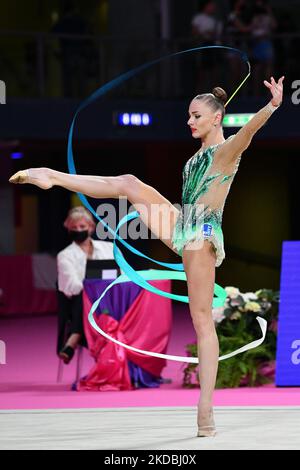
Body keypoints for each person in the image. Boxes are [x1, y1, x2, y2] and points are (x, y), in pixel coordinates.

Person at [8, 75, 284, 436]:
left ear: (215, 118)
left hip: (202, 234)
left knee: (201, 320)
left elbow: (247, 132)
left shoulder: (225, 151)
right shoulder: (195, 158)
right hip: (183, 223)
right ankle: (51, 176)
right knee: (128, 182)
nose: (189, 121)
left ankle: (206, 410)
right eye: (189, 115)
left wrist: (273, 105)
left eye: (196, 116)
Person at [57, 206, 115, 364]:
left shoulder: (109, 248)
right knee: (86, 298)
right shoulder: (64, 256)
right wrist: (94, 289)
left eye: (82, 226)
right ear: (68, 229)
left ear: (91, 227)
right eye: (74, 227)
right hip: (79, 303)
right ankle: (77, 334)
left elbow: (121, 275)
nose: (78, 230)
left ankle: (74, 337)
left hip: (110, 298)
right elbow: (73, 286)